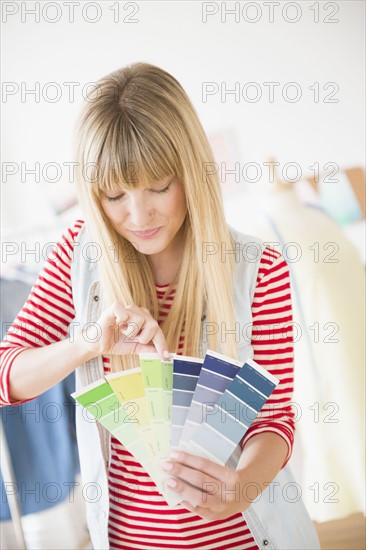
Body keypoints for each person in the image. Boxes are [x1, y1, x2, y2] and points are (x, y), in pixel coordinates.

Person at [0, 62, 320, 550]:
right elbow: (6, 378)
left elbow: (274, 420)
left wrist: (240, 489)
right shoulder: (78, 254)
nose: (138, 214)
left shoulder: (259, 268)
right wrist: (87, 342)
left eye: (159, 186)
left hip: (248, 538)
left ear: (190, 170)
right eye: (114, 194)